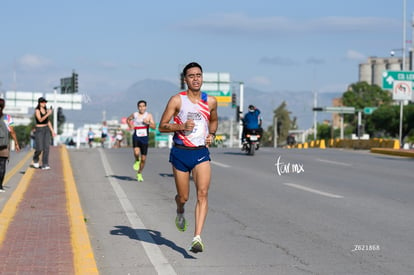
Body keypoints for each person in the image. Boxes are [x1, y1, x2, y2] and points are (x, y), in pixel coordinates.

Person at [158, 62, 218, 253]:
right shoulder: (177, 100)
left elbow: (214, 120)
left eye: (198, 75)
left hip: (201, 153)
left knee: (203, 193)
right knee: (184, 196)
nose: (195, 79)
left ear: (202, 77)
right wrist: (180, 126)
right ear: (185, 80)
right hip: (180, 152)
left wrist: (213, 134)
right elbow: (162, 126)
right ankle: (180, 209)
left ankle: (197, 237)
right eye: (191, 76)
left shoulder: (210, 101)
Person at [126, 100, 156, 182]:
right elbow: (128, 119)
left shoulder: (149, 115)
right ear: (138, 107)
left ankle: (139, 173)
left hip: (145, 137)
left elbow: (154, 127)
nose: (142, 108)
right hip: (136, 135)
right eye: (140, 106)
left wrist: (148, 123)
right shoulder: (135, 115)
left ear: (145, 107)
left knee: (143, 159)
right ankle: (136, 160)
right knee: (136, 152)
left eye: (143, 106)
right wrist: (130, 126)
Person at [0, 99, 20, 192]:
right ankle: (0, 186)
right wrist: (16, 143)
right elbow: (12, 131)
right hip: (3, 146)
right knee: (2, 165)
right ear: (3, 107)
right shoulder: (7, 117)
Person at [32, 97, 56, 170]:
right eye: (43, 102)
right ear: (39, 103)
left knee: (46, 147)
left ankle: (45, 164)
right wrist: (48, 114)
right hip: (39, 129)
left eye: (45, 102)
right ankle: (35, 158)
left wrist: (52, 131)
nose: (44, 103)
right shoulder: (37, 110)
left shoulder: (46, 110)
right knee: (39, 148)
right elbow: (40, 120)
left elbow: (47, 121)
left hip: (46, 129)